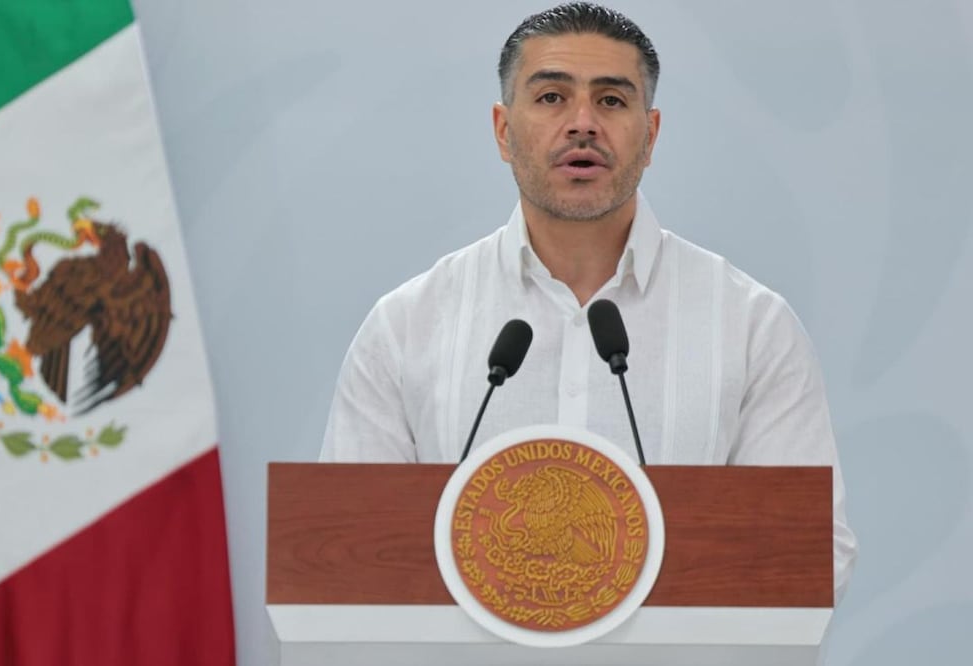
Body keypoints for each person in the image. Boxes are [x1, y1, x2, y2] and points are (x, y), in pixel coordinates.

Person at [319, 2, 856, 599]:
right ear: (503, 130)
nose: (582, 124)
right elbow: (349, 559)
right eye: (551, 97)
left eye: (611, 100)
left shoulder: (751, 328)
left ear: (650, 136)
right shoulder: (406, 327)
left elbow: (810, 553)